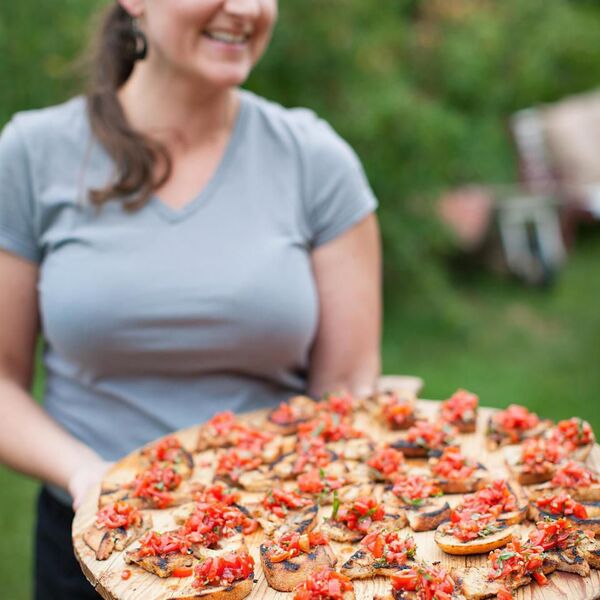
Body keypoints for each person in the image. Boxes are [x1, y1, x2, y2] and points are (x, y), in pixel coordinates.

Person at [0, 1, 381, 597]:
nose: (248, 9)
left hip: (275, 553)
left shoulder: (315, 160)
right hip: (91, 544)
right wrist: (87, 475)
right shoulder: (30, 154)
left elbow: (347, 389)